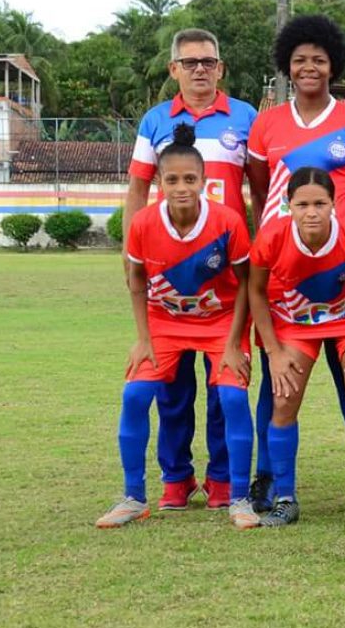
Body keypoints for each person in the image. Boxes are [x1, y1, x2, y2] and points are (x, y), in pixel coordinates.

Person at [245, 15, 345, 512]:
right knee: (279, 386)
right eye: (300, 59)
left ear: (333, 66)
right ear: (287, 65)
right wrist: (289, 231)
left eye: (319, 60)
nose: (309, 67)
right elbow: (262, 190)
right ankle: (270, 482)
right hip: (291, 282)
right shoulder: (267, 124)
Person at [124, 28, 260, 512]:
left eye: (208, 61)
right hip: (171, 274)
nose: (199, 68)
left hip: (225, 273)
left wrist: (259, 252)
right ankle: (176, 479)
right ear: (173, 69)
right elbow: (138, 192)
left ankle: (223, 482)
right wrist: (129, 252)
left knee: (226, 384)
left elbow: (259, 192)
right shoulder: (155, 121)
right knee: (171, 393)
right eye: (190, 61)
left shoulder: (245, 117)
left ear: (221, 68)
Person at [97, 124, 257, 530]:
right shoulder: (144, 224)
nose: (181, 187)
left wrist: (236, 342)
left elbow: (245, 285)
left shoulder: (227, 221)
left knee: (233, 400)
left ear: (204, 181)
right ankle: (135, 497)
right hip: (164, 323)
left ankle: (237, 496)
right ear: (159, 183)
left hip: (221, 322)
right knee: (136, 395)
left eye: (190, 179)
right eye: (172, 179)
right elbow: (136, 282)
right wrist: (143, 339)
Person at [247, 167, 345, 529]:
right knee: (283, 400)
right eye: (302, 204)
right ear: (287, 204)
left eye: (320, 203)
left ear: (333, 205)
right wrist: (274, 352)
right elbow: (256, 292)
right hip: (296, 323)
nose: (311, 212)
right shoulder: (271, 238)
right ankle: (286, 498)